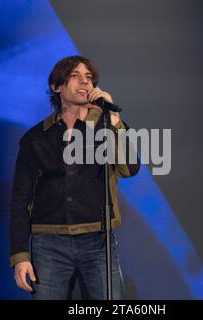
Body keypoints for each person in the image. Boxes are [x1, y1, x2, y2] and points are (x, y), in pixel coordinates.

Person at [9, 55, 140, 300]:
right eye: (75, 76)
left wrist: (113, 123)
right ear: (56, 86)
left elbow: (129, 169)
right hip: (48, 242)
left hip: (97, 240)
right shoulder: (36, 138)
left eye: (89, 77)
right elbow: (20, 200)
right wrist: (20, 256)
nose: (84, 82)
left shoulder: (105, 128)